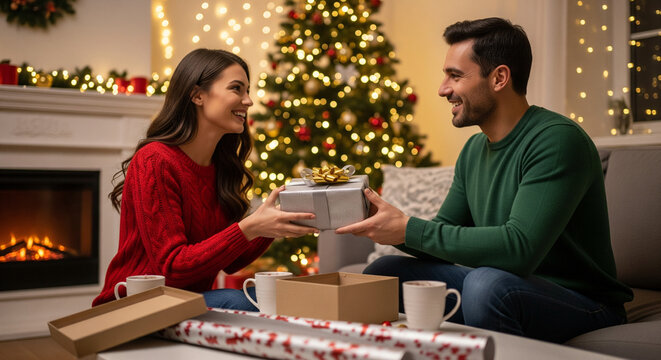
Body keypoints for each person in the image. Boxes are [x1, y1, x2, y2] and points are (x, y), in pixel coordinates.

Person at [336, 18, 632, 343]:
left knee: (486, 284)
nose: (442, 89)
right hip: (505, 287)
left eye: (455, 76)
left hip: (584, 303)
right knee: (385, 273)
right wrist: (385, 225)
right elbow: (442, 235)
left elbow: (519, 250)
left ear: (499, 78)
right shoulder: (474, 150)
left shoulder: (556, 140)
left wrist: (409, 227)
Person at [93, 49, 318, 309]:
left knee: (280, 297)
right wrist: (249, 227)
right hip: (134, 305)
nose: (248, 101)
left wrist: (274, 223)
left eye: (248, 91)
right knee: (243, 302)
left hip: (183, 303)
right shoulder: (155, 161)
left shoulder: (220, 165)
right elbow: (173, 267)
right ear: (197, 94)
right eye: (237, 89)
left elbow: (230, 262)